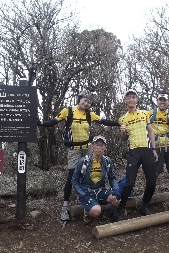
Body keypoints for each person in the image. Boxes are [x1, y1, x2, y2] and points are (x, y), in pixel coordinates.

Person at [38, 91, 119, 221]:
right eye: (85, 100)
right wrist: (40, 123)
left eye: (89, 102)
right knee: (72, 176)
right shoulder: (68, 111)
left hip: (87, 148)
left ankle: (90, 198)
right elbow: (53, 122)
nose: (86, 103)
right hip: (74, 150)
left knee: (88, 173)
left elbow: (105, 121)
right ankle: (65, 206)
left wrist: (119, 123)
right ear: (79, 99)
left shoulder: (89, 115)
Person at [112, 89, 158, 222]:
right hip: (133, 151)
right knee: (129, 183)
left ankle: (144, 205)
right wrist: (122, 132)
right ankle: (120, 209)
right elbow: (123, 139)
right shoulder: (123, 118)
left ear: (136, 100)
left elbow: (150, 131)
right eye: (128, 98)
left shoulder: (144, 114)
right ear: (125, 101)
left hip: (147, 149)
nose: (131, 99)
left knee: (152, 182)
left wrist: (154, 149)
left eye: (133, 97)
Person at [72, 135, 120, 223]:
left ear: (105, 147)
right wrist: (82, 194)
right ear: (92, 147)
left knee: (116, 200)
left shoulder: (107, 161)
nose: (99, 148)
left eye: (102, 145)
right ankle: (88, 212)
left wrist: (116, 190)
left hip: (100, 190)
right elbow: (74, 181)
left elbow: (112, 178)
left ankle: (106, 214)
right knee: (96, 211)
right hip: (87, 191)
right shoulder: (83, 161)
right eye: (97, 145)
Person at [146, 93, 169, 209]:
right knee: (154, 173)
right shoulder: (150, 113)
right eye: (160, 100)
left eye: (164, 100)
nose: (162, 102)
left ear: (168, 102)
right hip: (155, 146)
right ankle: (147, 200)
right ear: (157, 101)